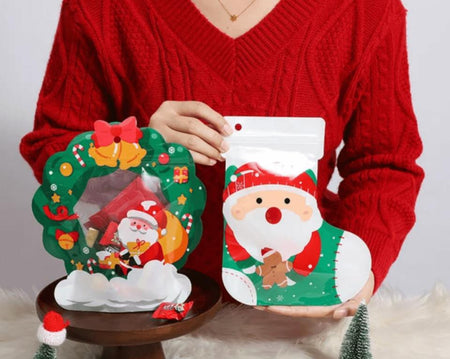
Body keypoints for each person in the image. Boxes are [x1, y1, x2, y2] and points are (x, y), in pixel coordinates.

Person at [20, 0, 424, 319]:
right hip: (143, 312)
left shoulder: (365, 10)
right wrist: (140, 148)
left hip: (300, 308)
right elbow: (53, 147)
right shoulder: (103, 8)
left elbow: (384, 165)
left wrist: (354, 272)